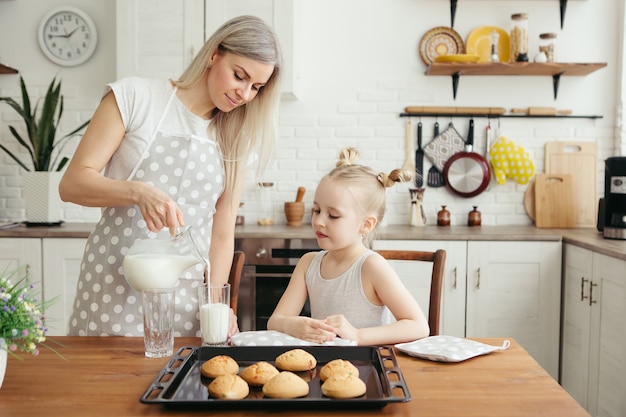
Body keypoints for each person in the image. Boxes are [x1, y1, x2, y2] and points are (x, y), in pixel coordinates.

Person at [58, 15, 283, 337]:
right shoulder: (136, 98)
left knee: (177, 383)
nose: (245, 94)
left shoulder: (236, 137)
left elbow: (221, 233)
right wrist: (137, 192)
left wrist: (217, 304)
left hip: (188, 295)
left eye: (256, 87)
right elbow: (73, 184)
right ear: (214, 54)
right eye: (239, 76)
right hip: (113, 285)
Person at [267, 147, 430, 346]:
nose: (319, 221)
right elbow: (275, 322)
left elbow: (418, 325)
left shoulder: (372, 266)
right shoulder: (307, 263)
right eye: (316, 210)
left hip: (366, 370)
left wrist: (357, 335)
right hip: (323, 368)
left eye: (333, 215)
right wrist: (293, 326)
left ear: (366, 224)